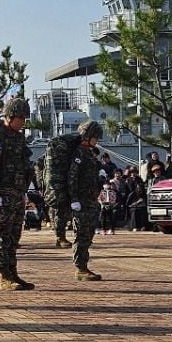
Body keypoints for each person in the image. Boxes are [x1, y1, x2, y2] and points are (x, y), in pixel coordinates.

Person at [0, 97, 35, 290]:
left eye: (24, 118)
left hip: (17, 193)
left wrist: (24, 191)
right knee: (2, 235)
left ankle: (13, 272)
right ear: (9, 116)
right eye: (20, 118)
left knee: (15, 236)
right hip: (3, 194)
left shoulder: (19, 138)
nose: (23, 122)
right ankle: (4, 276)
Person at [68, 120, 104, 280]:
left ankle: (83, 266)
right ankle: (80, 268)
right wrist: (74, 199)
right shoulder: (78, 153)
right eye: (95, 137)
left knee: (88, 235)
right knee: (81, 235)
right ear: (87, 136)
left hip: (90, 200)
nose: (97, 140)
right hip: (81, 201)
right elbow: (72, 177)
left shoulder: (89, 153)